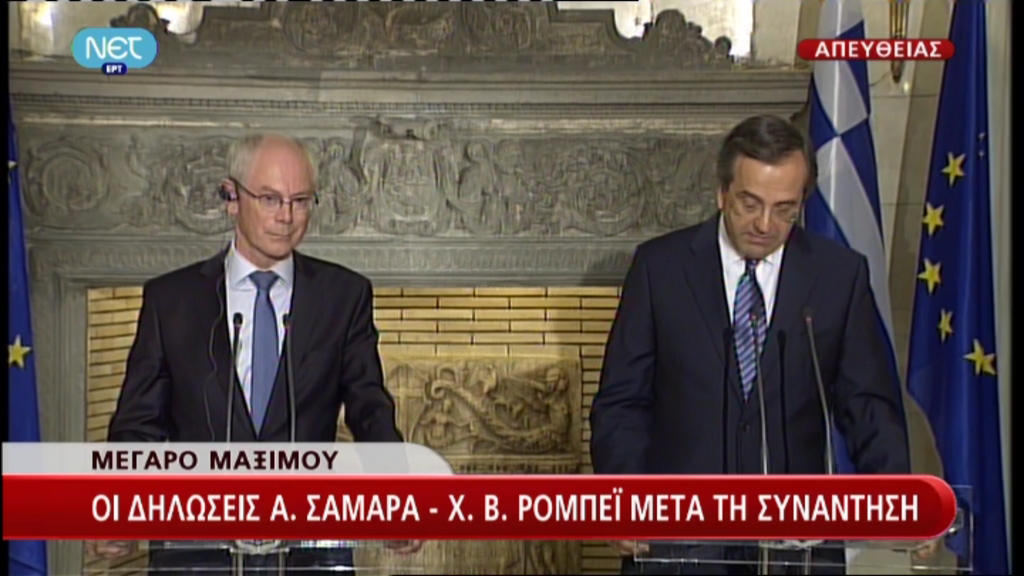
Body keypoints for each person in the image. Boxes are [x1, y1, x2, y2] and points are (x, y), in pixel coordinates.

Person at [589, 115, 912, 575]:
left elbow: (868, 405)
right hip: (679, 544)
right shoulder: (660, 268)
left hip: (796, 547)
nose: (764, 224)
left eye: (784, 209)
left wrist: (898, 498)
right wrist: (623, 495)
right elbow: (623, 402)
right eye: (750, 203)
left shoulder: (838, 275)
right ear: (722, 193)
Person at [98, 133, 421, 573]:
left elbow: (370, 411)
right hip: (197, 551)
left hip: (307, 549)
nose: (286, 217)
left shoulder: (343, 296)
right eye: (270, 199)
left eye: (300, 201)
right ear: (231, 197)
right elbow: (139, 426)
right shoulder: (171, 300)